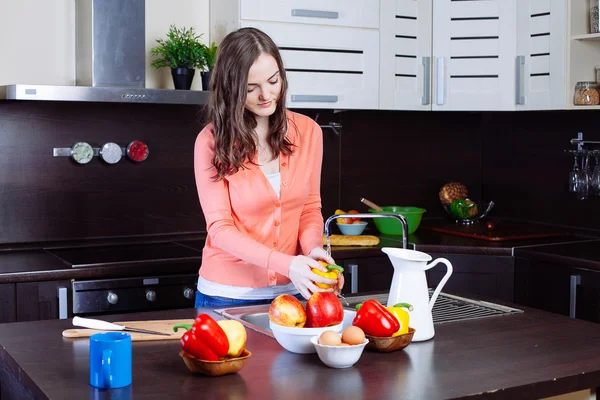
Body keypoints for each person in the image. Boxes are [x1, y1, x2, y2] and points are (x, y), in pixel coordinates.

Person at [193, 27, 344, 308]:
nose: (266, 95)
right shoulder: (211, 142)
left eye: (274, 81)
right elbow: (220, 228)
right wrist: (288, 264)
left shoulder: (308, 132)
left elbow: (309, 208)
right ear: (232, 89)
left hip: (295, 290)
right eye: (251, 88)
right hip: (226, 296)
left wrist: (313, 252)